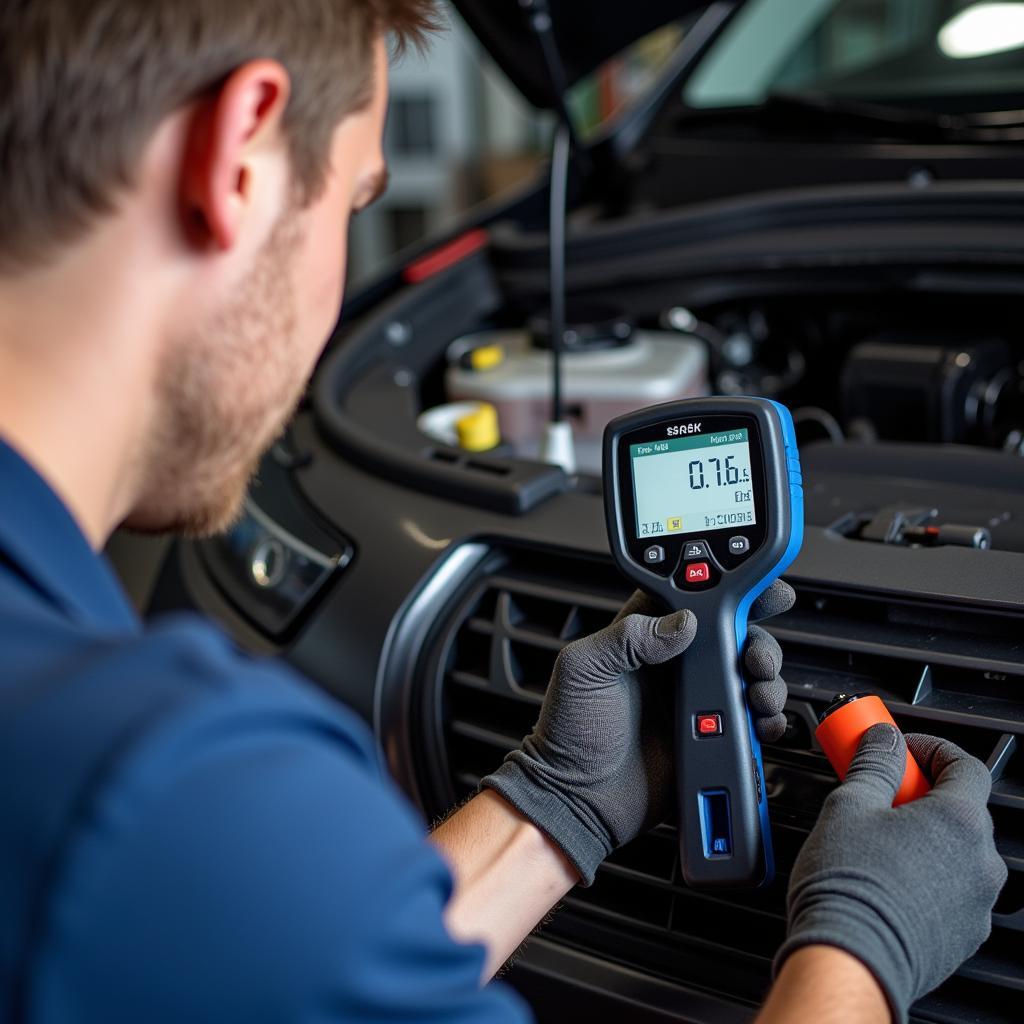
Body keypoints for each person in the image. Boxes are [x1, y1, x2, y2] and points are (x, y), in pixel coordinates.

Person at [0, 3, 1005, 1023]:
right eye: (354, 202)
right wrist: (859, 953)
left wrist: (549, 805)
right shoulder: (151, 790)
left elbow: (272, 981)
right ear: (240, 153)